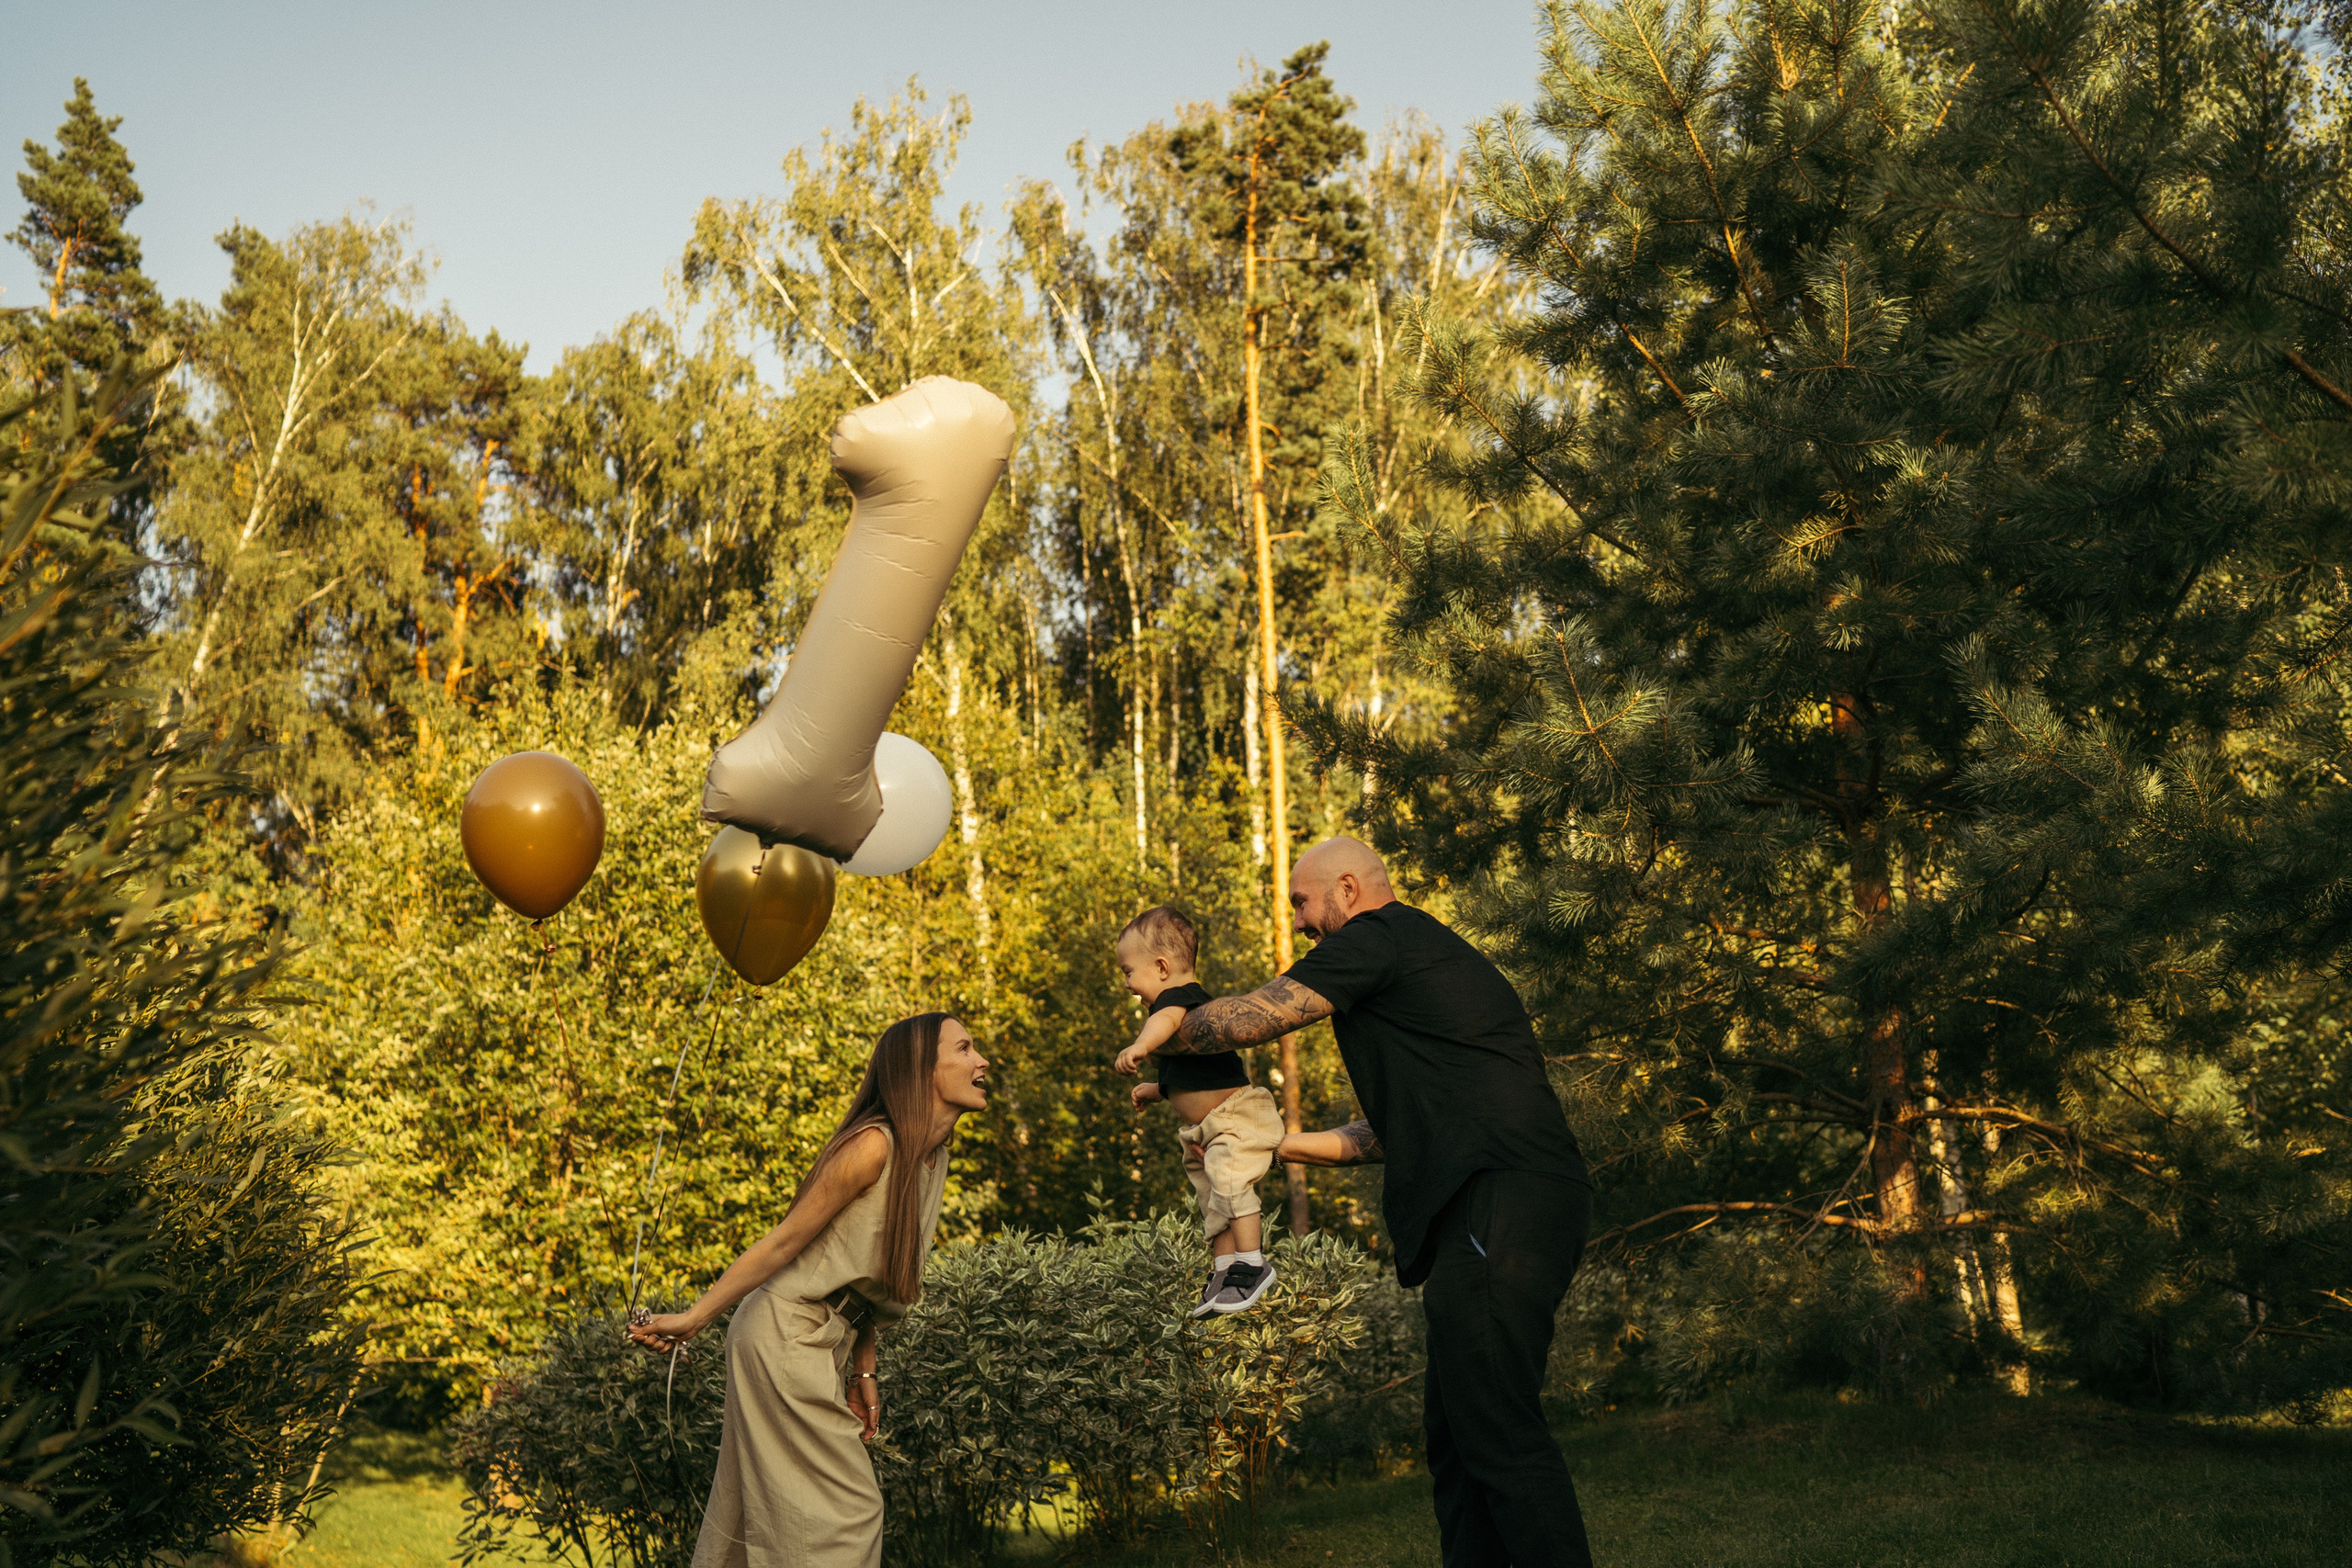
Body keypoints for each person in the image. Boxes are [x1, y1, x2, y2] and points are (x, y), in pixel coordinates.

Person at [1159, 837, 1598, 1568]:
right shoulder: (1415, 963)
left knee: (1497, 1428)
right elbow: (1383, 1134)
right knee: (1458, 1441)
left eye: (1303, 902)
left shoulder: (1377, 935)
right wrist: (1273, 1145)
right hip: (1504, 1198)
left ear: (1349, 889)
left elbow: (1245, 1021)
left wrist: (1170, 1011)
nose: (1301, 921)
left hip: (1501, 1198)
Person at [628, 1013, 990, 1568]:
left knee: (760, 1514)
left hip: (820, 1337)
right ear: (920, 1069)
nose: (981, 1060)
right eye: (964, 1048)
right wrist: (694, 1319)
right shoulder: (873, 1147)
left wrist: (863, 1372)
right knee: (847, 1517)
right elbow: (783, 1243)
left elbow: (868, 1282)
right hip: (784, 1334)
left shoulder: (930, 1159)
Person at [1111, 905, 1285, 1315]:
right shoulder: (1176, 1009)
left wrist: (1141, 1045)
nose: (1127, 983)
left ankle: (1252, 1264)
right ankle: (1224, 1270)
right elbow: (1196, 1076)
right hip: (1206, 1128)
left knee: (1230, 1182)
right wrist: (1159, 1089)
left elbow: (1165, 1022)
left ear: (1161, 967)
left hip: (1235, 1117)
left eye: (1128, 972)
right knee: (1213, 1199)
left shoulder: (1180, 1000)